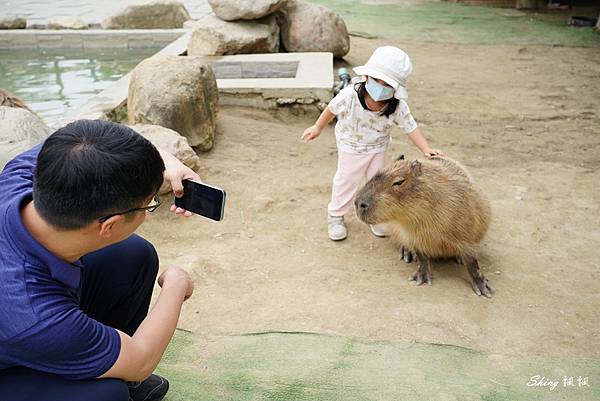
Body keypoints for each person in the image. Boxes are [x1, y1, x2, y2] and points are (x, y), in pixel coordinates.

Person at [0, 119, 199, 401]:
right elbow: (142, 360)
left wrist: (165, 163)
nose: (151, 207)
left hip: (19, 330)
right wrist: (176, 284)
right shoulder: (35, 315)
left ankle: (101, 362)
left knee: (131, 255)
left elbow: (96, 145)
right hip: (14, 351)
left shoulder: (28, 173)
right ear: (109, 225)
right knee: (105, 394)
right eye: (150, 204)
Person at [301, 46, 444, 241]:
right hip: (351, 145)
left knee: (378, 183)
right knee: (347, 180)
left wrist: (426, 148)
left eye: (387, 84)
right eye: (377, 80)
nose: (381, 87)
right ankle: (335, 215)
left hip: (378, 147)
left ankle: (375, 217)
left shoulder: (396, 104)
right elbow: (332, 109)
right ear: (367, 77)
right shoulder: (350, 94)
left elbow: (410, 126)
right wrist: (317, 127)